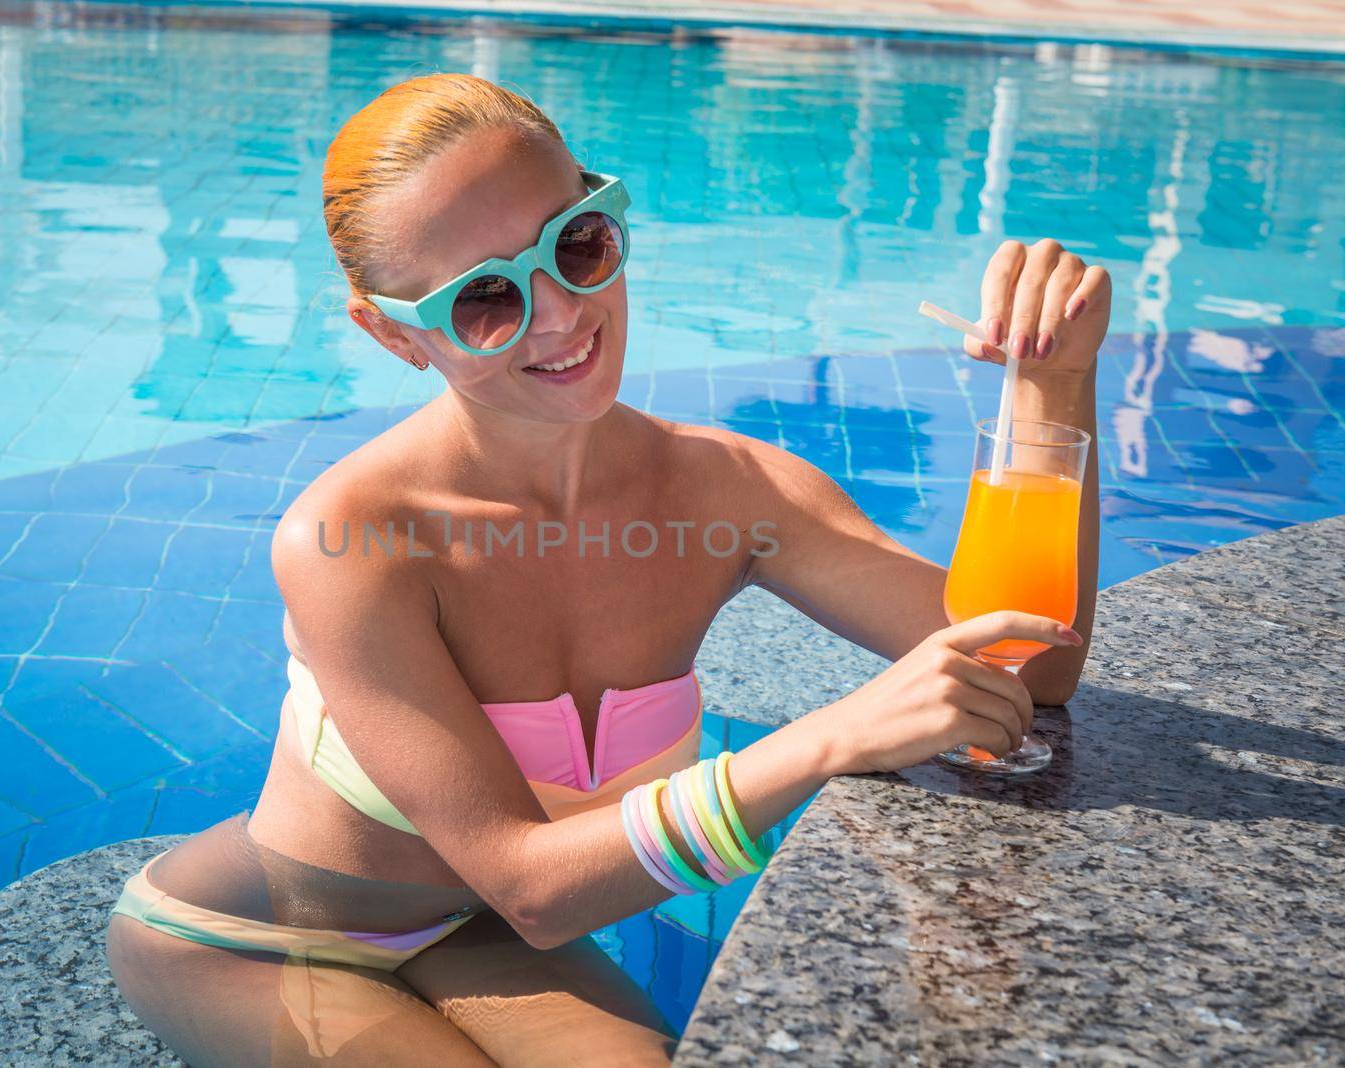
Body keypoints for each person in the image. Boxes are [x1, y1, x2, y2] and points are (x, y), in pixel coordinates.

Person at [105, 72, 1106, 1067]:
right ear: (395, 331)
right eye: (485, 300)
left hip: (477, 935)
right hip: (257, 941)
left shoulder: (729, 491)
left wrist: (1052, 382)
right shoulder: (357, 539)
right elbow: (532, 887)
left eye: (576, 244)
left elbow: (1032, 664)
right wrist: (828, 740)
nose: (557, 315)